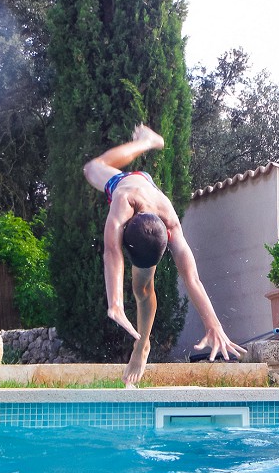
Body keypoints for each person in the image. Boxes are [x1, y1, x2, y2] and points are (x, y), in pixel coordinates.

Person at [83, 124, 245, 387]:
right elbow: (112, 251)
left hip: (150, 195)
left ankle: (142, 345)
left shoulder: (171, 225)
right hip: (132, 184)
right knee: (92, 167)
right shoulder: (124, 200)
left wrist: (213, 325)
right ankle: (146, 141)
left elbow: (193, 279)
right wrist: (115, 302)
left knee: (142, 289)